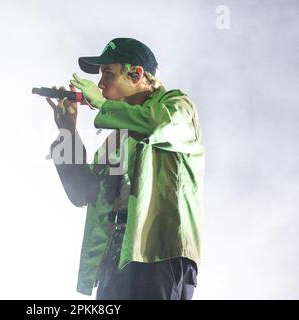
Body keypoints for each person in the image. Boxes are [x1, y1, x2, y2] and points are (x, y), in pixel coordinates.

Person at [46, 38, 204, 300]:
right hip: (115, 260)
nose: (99, 85)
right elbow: (83, 192)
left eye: (108, 74)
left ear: (136, 74)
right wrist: (67, 130)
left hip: (159, 255)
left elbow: (154, 126)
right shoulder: (117, 137)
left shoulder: (177, 107)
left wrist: (102, 105)